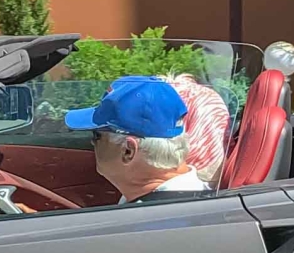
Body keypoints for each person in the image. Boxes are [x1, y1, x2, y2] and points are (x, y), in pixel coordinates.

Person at [64, 75, 208, 201]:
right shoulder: (197, 199)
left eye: (96, 135)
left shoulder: (149, 222)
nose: (92, 142)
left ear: (128, 151)